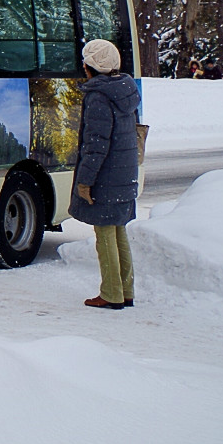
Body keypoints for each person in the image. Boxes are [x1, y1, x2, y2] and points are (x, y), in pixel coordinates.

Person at [71, 38, 142, 310]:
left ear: (90, 67)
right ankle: (125, 290)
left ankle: (111, 293)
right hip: (124, 171)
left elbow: (96, 144)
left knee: (104, 235)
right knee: (118, 231)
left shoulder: (98, 96)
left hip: (107, 175)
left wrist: (85, 181)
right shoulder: (125, 89)